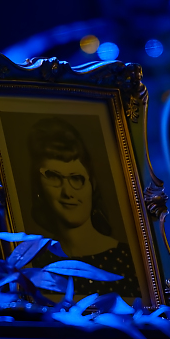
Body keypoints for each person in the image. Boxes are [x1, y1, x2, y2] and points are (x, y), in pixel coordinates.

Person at [23, 116, 141, 300]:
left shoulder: (129, 260)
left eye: (76, 179)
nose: (67, 192)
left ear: (91, 185)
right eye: (54, 177)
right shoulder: (33, 264)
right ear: (38, 188)